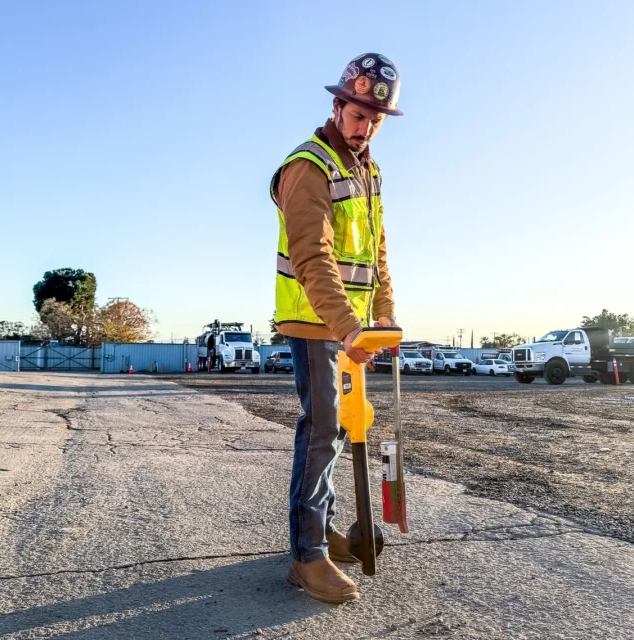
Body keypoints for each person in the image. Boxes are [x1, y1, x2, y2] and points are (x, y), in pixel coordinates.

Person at [269, 53, 403, 604]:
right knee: (322, 425)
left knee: (346, 426)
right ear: (337, 104)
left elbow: (377, 254)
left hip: (350, 327)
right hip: (314, 319)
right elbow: (311, 256)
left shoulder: (367, 170)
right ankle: (306, 556)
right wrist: (348, 326)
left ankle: (321, 528)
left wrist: (385, 312)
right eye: (359, 111)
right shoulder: (310, 165)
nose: (366, 123)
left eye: (376, 117)